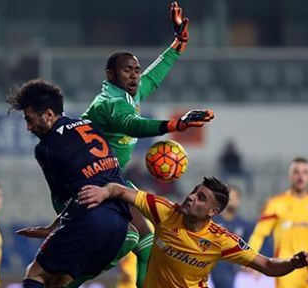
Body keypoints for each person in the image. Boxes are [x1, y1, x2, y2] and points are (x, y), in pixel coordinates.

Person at [81, 2, 214, 286]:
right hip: (90, 180)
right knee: (128, 240)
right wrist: (175, 125)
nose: (135, 75)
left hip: (110, 178)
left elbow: (156, 73)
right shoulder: (110, 103)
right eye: (128, 70)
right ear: (110, 75)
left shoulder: (131, 93)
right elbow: (133, 125)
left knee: (147, 238)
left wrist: (179, 42)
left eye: (136, 70)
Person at [6, 78, 135, 288]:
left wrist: (53, 229)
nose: (28, 127)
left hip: (91, 220)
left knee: (36, 273)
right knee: (61, 282)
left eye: (29, 120)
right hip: (120, 227)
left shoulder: (46, 148)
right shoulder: (90, 125)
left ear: (49, 114)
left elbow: (65, 198)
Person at [78, 176, 308, 288]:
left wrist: (292, 263)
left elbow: (268, 266)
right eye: (194, 191)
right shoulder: (166, 212)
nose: (191, 197)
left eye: (201, 197)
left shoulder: (221, 240)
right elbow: (121, 190)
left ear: (213, 211)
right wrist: (104, 192)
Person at [248, 157, 308, 288]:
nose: (301, 176)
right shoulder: (276, 204)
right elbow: (259, 234)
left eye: (305, 172)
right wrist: (252, 262)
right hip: (286, 270)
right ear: (290, 176)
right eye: (296, 172)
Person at [210, 185, 255, 288]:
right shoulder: (213, 222)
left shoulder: (243, 225)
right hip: (214, 265)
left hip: (234, 268)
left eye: (236, 198)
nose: (233, 201)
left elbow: (250, 247)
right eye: (231, 198)